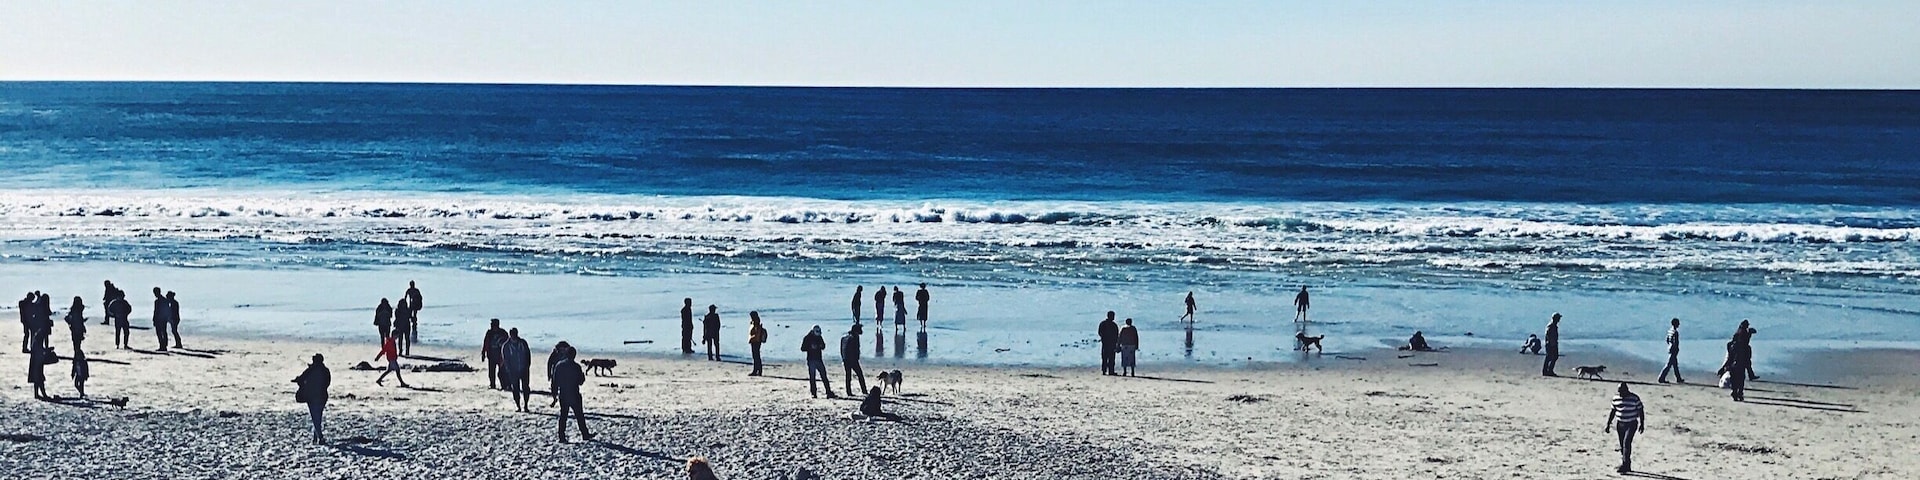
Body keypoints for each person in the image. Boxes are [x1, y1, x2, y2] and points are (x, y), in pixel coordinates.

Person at [550, 342, 593, 443]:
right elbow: (580, 382)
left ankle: (561, 436)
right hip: (574, 393)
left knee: (563, 416)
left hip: (563, 394)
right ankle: (585, 434)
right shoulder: (576, 367)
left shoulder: (559, 365)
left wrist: (554, 395)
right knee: (579, 415)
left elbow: (554, 381)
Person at [1605, 383, 1647, 473]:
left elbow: (1641, 410)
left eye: (1622, 391)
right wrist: (1608, 424)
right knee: (1622, 445)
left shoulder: (1634, 398)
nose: (1620, 394)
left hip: (1631, 423)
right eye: (1619, 391)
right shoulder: (1616, 398)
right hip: (1620, 424)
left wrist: (1642, 423)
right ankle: (1625, 462)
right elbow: (1613, 411)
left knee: (1626, 443)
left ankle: (1626, 464)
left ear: (1627, 390)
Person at [293, 353, 331, 445]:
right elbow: (327, 382)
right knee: (318, 417)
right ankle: (315, 438)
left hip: (312, 396)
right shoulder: (325, 370)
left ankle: (320, 437)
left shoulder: (310, 370)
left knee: (315, 417)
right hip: (322, 396)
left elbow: (301, 379)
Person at [501, 328, 532, 412]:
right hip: (513, 371)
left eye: (515, 334)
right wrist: (509, 369)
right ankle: (518, 406)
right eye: (512, 334)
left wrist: (527, 365)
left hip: (524, 369)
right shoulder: (506, 346)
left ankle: (526, 405)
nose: (514, 336)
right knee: (515, 389)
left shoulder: (523, 343)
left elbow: (528, 354)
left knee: (526, 388)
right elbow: (505, 359)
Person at [800, 325, 834, 398]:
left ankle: (828, 392)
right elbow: (802, 348)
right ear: (813, 331)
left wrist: (820, 346)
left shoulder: (819, 337)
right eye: (817, 331)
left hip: (819, 359)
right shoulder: (807, 338)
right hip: (811, 360)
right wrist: (810, 347)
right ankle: (814, 393)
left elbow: (823, 346)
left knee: (824, 376)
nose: (818, 333)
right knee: (812, 378)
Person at [841, 324, 867, 397]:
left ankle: (849, 392)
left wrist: (843, 358)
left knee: (848, 376)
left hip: (846, 359)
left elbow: (842, 349)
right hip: (852, 359)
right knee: (860, 375)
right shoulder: (854, 338)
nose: (861, 331)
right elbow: (855, 349)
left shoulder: (844, 337)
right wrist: (856, 358)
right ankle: (864, 391)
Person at [481, 318, 508, 390]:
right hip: (491, 356)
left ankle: (504, 385)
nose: (491, 325)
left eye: (492, 324)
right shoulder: (489, 333)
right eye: (491, 324)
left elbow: (508, 344)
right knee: (491, 372)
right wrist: (483, 353)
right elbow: (485, 343)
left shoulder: (503, 333)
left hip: (501, 356)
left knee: (502, 372)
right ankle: (492, 384)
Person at [1658, 318, 1685, 384]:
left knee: (1675, 365)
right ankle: (1661, 378)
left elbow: (1667, 339)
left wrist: (1669, 345)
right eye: (1678, 323)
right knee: (1669, 365)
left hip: (1670, 348)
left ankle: (1678, 378)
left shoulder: (1670, 331)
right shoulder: (1675, 332)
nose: (1679, 324)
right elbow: (1676, 342)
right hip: (1673, 350)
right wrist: (1676, 348)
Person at [1097, 312, 1120, 376]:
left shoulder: (1103, 323)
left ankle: (1104, 370)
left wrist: (1103, 338)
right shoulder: (1114, 325)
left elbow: (1099, 332)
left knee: (1105, 357)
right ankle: (1110, 371)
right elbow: (1117, 335)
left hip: (1105, 343)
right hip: (1111, 343)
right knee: (1111, 358)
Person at [747, 312, 767, 376]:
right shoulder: (755, 321)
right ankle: (758, 370)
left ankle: (756, 370)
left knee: (756, 356)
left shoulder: (756, 322)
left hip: (756, 341)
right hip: (756, 340)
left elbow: (756, 332)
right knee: (756, 356)